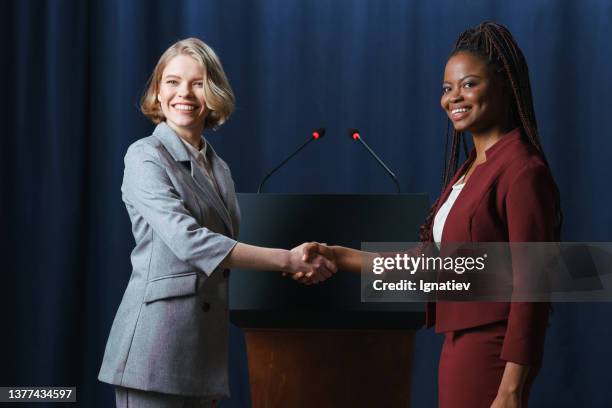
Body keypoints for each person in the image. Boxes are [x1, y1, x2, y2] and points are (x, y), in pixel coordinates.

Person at [300, 22, 561, 407]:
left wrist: (511, 389)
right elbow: (431, 265)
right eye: (447, 88)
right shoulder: (472, 168)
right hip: (458, 346)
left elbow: (533, 288)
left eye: (469, 84)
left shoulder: (522, 169)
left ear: (505, 84)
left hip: (493, 353)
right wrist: (340, 256)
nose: (453, 97)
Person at [98, 38, 336, 408]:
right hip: (153, 352)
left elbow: (223, 259)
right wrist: (287, 260)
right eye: (172, 82)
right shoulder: (144, 156)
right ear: (158, 92)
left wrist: (295, 265)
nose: (185, 94)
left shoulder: (219, 168)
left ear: (213, 93)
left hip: (204, 357)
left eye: (197, 83)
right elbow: (191, 241)